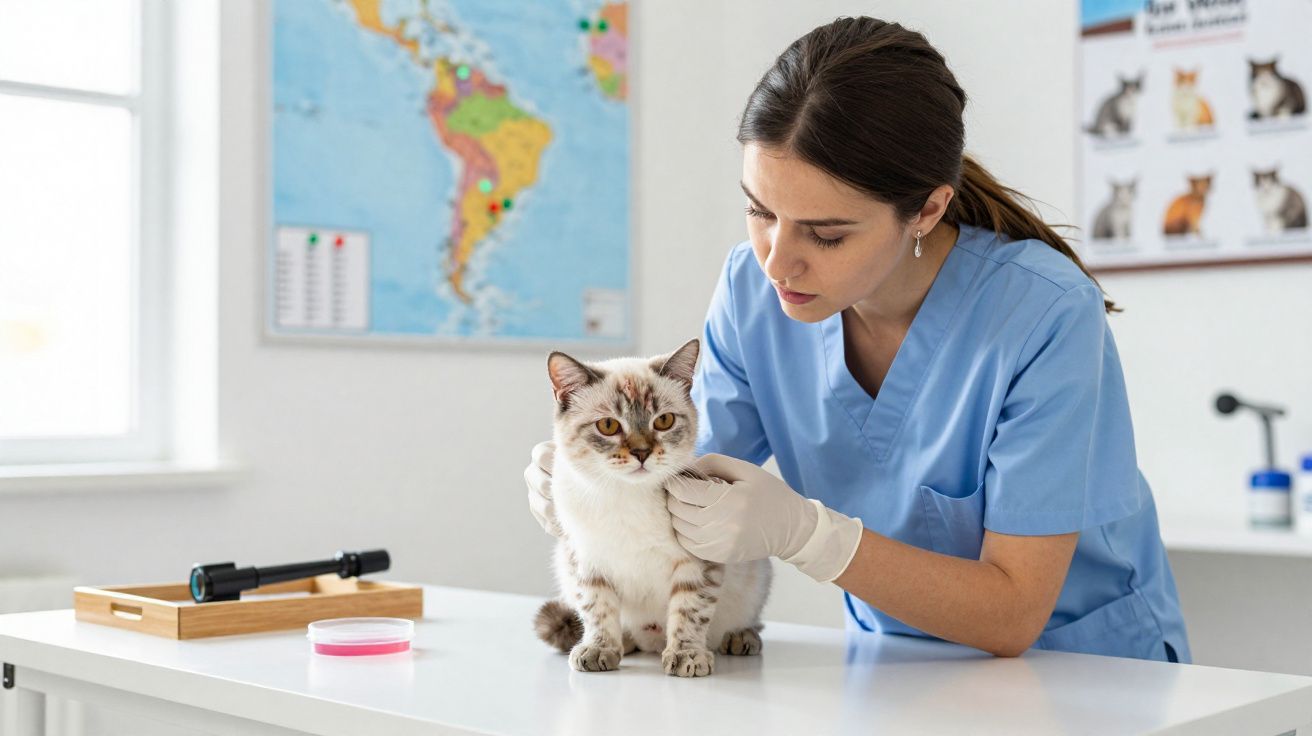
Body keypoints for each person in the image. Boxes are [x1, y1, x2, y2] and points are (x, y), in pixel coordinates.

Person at [525, 16, 1188, 662]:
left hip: (1085, 674)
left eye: (827, 233)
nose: (776, 262)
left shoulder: (1041, 314)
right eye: (760, 212)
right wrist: (590, 488)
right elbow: (691, 486)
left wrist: (815, 539)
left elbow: (1013, 612)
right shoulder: (751, 294)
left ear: (925, 210)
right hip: (891, 667)